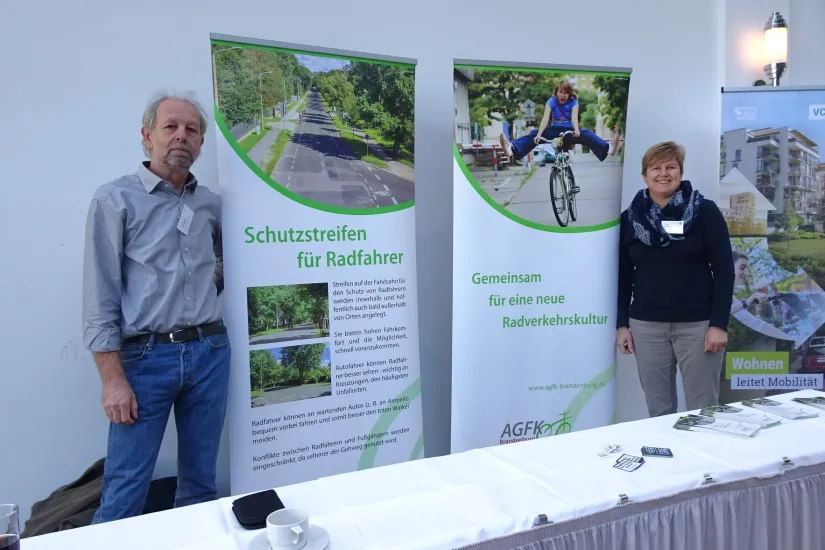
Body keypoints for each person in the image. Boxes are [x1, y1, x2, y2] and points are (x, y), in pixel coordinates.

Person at [82, 90, 229, 523]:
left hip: (210, 355)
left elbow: (223, 259)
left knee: (201, 484)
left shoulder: (211, 204)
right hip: (144, 360)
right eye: (170, 127)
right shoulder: (114, 200)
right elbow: (99, 294)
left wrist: (208, 284)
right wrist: (112, 379)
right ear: (147, 136)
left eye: (192, 129)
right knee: (127, 487)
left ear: (201, 142)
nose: (181, 136)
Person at [616, 141, 734, 417]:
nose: (663, 173)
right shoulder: (629, 220)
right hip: (647, 329)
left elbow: (725, 271)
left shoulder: (705, 212)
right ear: (645, 176)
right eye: (655, 168)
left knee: (703, 408)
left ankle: (704, 461)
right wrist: (622, 325)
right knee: (659, 411)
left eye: (671, 167)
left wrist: (718, 324)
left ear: (680, 172)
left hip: (698, 328)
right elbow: (623, 276)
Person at [499, 80, 610, 192]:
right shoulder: (551, 101)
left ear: (570, 94)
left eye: (566, 93)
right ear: (556, 92)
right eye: (561, 92)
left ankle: (606, 148)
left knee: (587, 133)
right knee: (533, 134)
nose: (563, 95)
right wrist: (539, 135)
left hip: (569, 131)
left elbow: (574, 118)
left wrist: (576, 130)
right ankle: (512, 148)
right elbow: (545, 119)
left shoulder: (573, 102)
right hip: (554, 130)